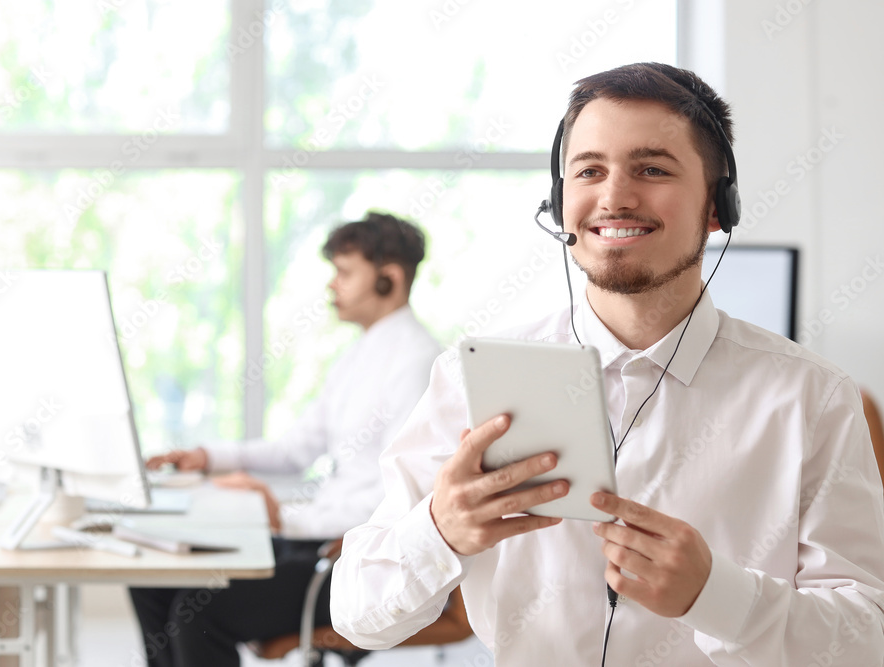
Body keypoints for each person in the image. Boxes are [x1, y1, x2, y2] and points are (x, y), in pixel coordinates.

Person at [330, 63, 884, 665]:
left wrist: (718, 596)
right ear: (559, 200)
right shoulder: (469, 379)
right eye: (589, 170)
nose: (615, 197)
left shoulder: (813, 398)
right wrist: (438, 530)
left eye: (652, 169)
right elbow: (357, 616)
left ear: (718, 205)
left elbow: (865, 640)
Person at [130, 211, 441, 667]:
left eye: (345, 273)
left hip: (347, 552)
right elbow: (295, 449)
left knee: (200, 611)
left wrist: (284, 517)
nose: (332, 285)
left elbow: (399, 496)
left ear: (388, 279)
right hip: (309, 534)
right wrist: (207, 456)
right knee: (153, 579)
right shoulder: (358, 354)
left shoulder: (417, 361)